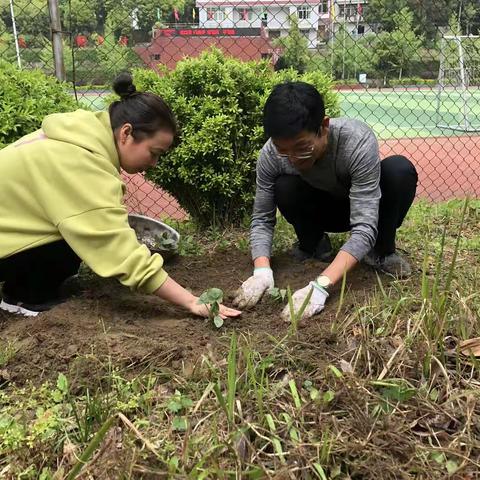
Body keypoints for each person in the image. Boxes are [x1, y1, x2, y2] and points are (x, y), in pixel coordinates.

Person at [0, 72, 241, 320]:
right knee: (77, 239)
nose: (155, 163)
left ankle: (22, 286)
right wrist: (191, 301)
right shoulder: (80, 163)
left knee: (75, 233)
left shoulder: (80, 137)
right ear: (126, 133)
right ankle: (27, 296)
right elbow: (119, 251)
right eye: (154, 152)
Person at [233, 81, 417, 321]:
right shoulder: (271, 154)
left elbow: (364, 225)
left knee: (398, 170)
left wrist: (320, 286)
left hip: (360, 208)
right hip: (321, 208)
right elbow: (262, 218)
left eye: (302, 148)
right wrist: (261, 270)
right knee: (284, 185)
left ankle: (380, 251)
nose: (293, 159)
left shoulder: (356, 141)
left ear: (324, 127)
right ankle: (315, 245)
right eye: (283, 150)